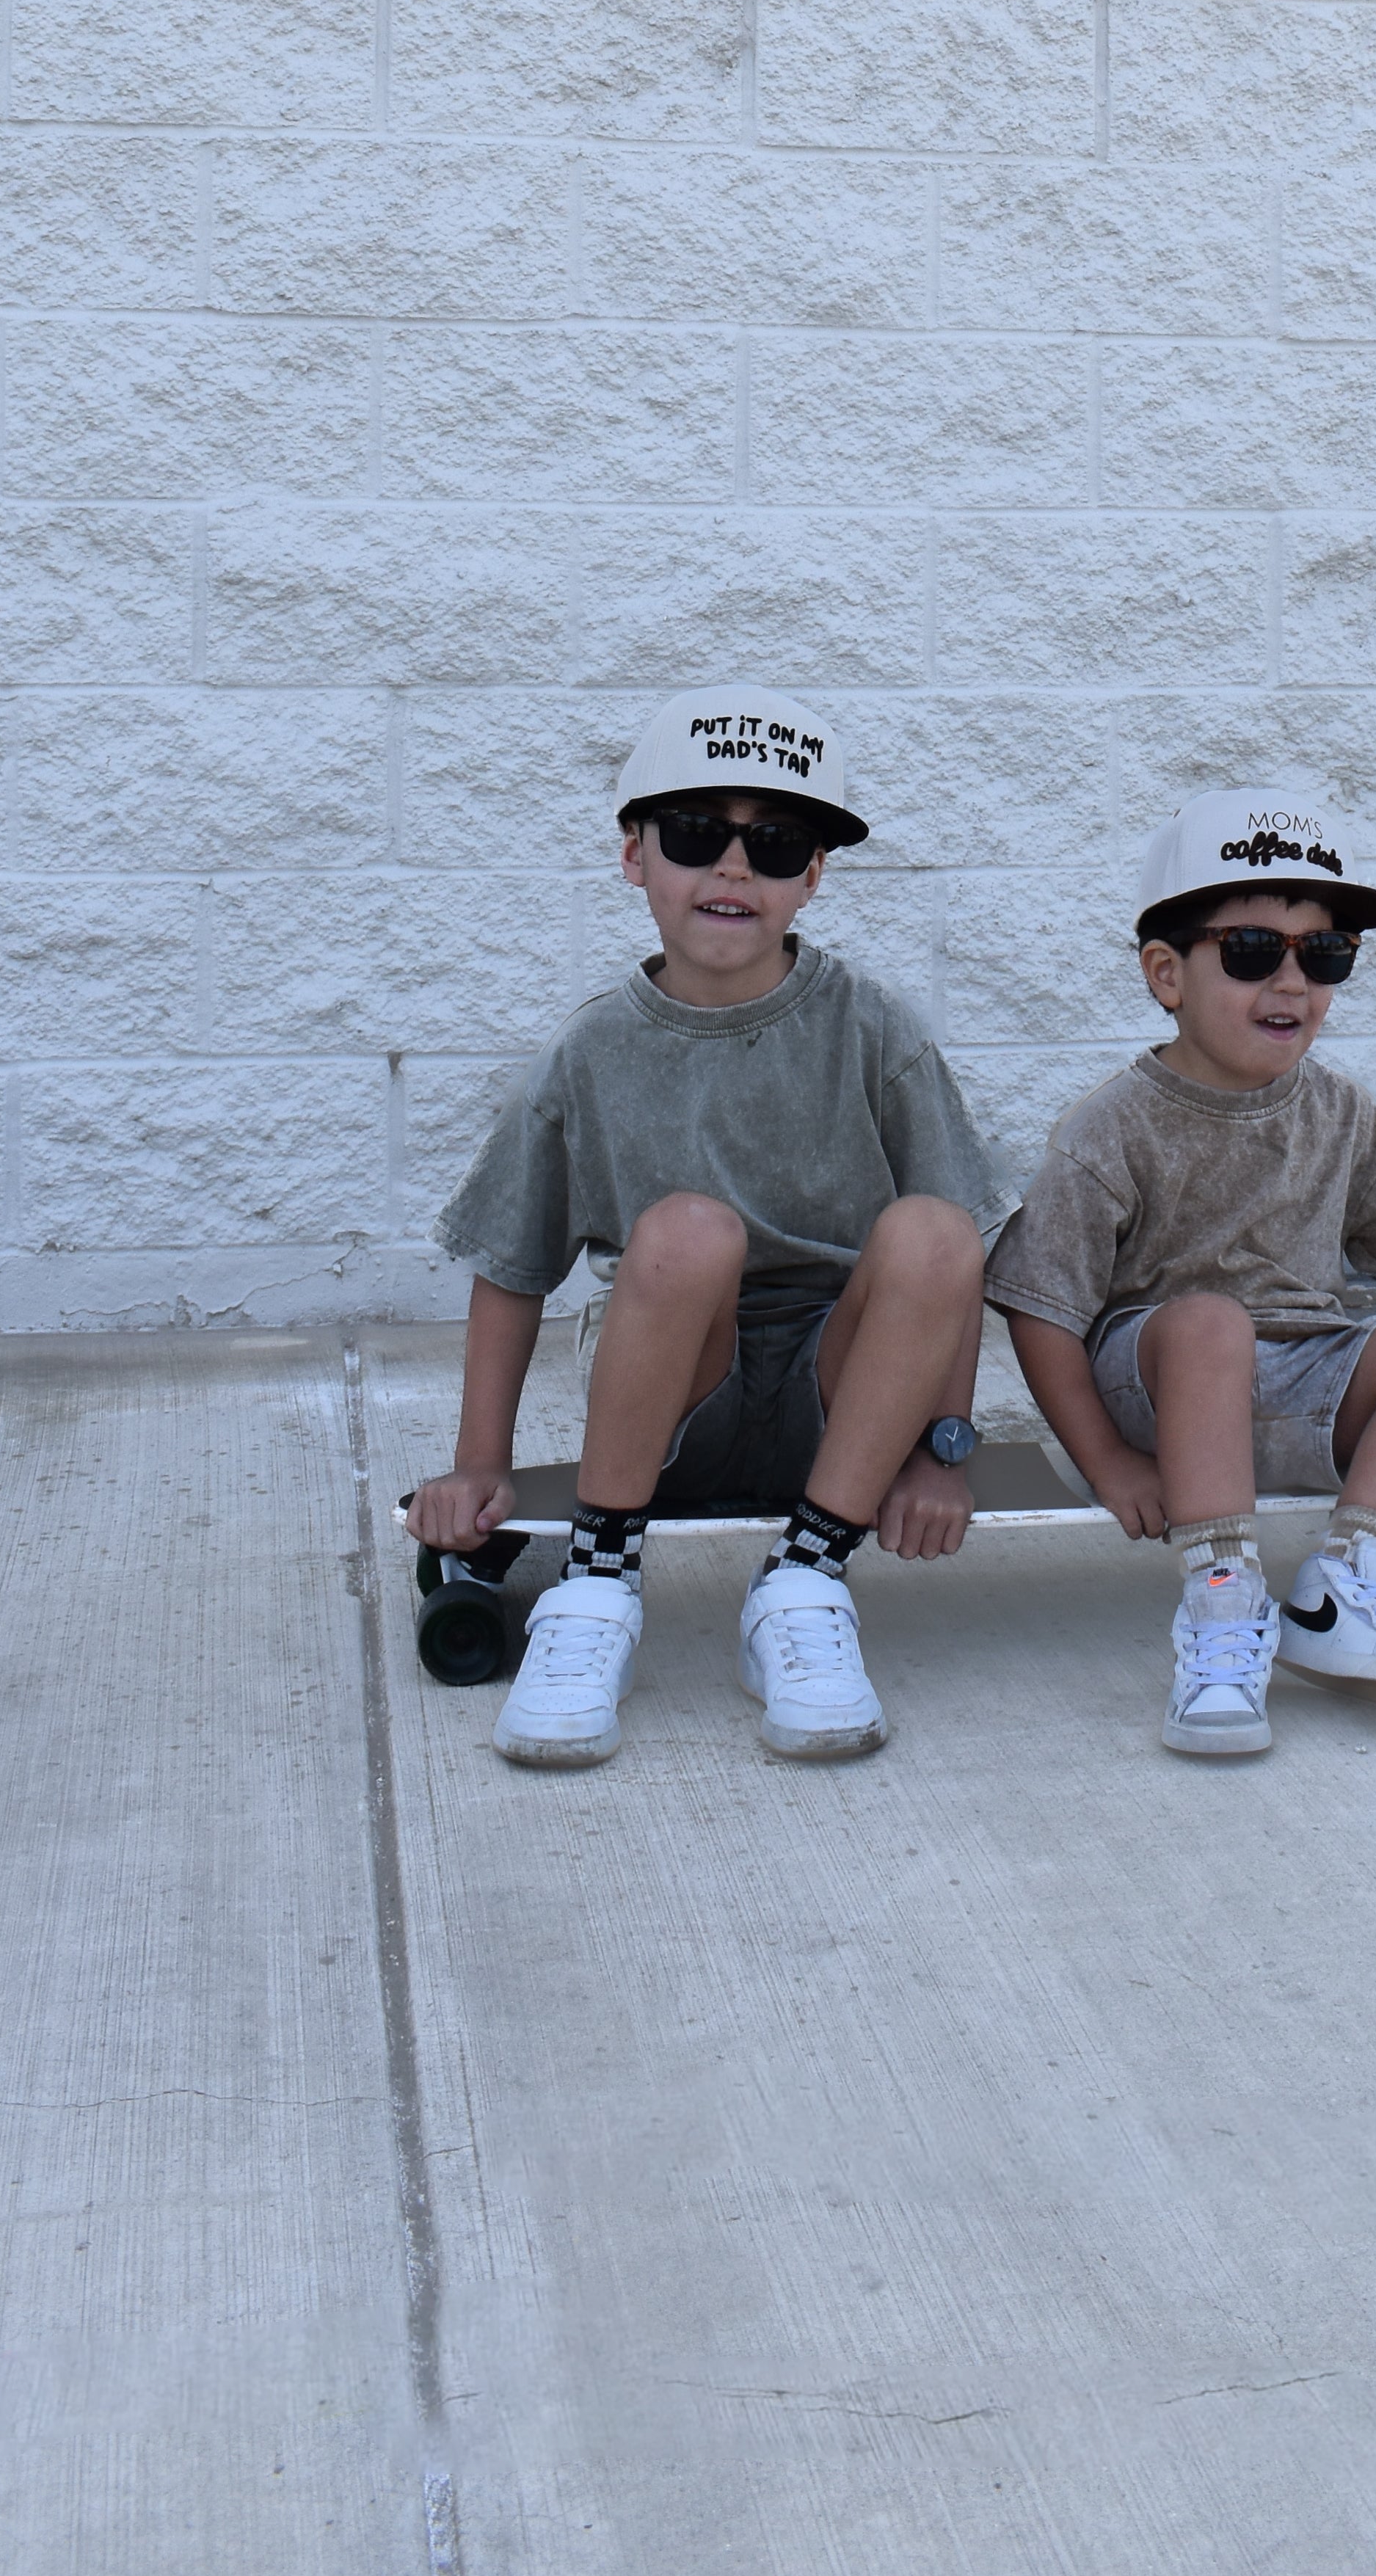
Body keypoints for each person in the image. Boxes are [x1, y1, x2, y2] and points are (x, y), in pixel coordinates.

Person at [409, 693, 1013, 1770]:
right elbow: (511, 1266)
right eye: (698, 835)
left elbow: (958, 1254)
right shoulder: (589, 1052)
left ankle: (806, 1580)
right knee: (687, 1231)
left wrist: (940, 1448)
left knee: (928, 1226)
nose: (735, 870)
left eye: (776, 845)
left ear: (814, 877)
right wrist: (477, 1468)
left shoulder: (874, 1029)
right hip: (676, 1403)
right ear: (636, 854)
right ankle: (597, 1588)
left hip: (848, 1416)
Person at [986, 787, 1376, 1756]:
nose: (1292, 983)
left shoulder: (1343, 1114)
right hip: (1161, 1391)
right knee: (1208, 1323)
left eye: (1324, 955)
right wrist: (1105, 1461)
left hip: (1309, 1384)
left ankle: (1351, 1582)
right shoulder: (1110, 1128)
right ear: (1166, 974)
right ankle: (1222, 1606)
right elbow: (1041, 1307)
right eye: (1249, 952)